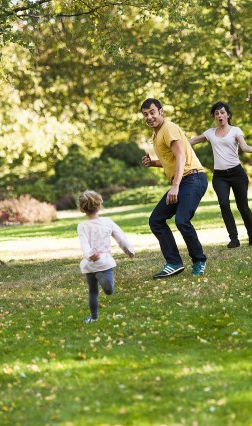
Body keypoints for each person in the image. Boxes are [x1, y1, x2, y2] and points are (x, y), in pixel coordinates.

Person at [140, 98, 208, 278]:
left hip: (193, 178)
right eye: (145, 114)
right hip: (184, 180)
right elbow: (170, 160)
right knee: (156, 220)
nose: (149, 117)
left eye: (152, 112)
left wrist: (175, 186)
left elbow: (181, 157)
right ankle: (174, 263)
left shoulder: (168, 128)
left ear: (161, 111)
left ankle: (199, 260)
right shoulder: (156, 135)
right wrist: (153, 163)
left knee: (182, 220)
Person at [189, 101, 252, 248]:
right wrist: (175, 143)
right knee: (224, 204)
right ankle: (234, 239)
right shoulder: (210, 133)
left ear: (228, 115)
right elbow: (192, 141)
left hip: (237, 174)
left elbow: (243, 146)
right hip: (220, 176)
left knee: (243, 207)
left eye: (222, 112)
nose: (219, 115)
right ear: (214, 117)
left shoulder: (236, 130)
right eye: (216, 113)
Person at [77, 190, 135, 323]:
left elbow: (84, 243)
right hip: (104, 261)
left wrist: (90, 255)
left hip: (90, 263)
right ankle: (102, 278)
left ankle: (94, 317)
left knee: (93, 291)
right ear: (99, 205)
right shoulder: (107, 222)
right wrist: (129, 251)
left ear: (81, 209)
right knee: (109, 290)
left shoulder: (82, 226)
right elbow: (120, 237)